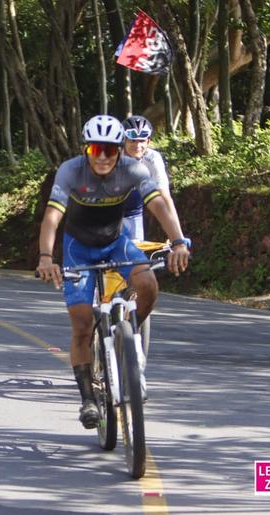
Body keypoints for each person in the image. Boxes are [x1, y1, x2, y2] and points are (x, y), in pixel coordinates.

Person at [36, 114, 191, 429]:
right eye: (96, 150)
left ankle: (128, 338)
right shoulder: (70, 171)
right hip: (78, 249)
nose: (104, 157)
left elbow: (159, 204)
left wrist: (178, 242)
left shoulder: (133, 168)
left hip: (116, 243)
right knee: (81, 323)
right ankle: (88, 399)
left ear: (119, 150)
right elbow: (52, 217)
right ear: (86, 150)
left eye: (110, 150)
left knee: (148, 284)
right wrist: (45, 256)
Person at [119, 115, 180, 241]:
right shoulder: (112, 157)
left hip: (133, 212)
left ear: (148, 141)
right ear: (124, 140)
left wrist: (178, 238)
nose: (137, 145)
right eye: (132, 140)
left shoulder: (153, 159)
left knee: (135, 256)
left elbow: (165, 199)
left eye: (142, 140)